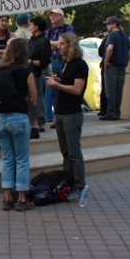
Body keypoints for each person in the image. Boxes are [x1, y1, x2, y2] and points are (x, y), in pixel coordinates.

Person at [0, 38, 37, 212]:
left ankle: (7, 197)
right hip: (18, 117)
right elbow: (34, 101)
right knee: (22, 160)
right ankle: (22, 199)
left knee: (8, 159)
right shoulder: (26, 72)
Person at [46, 32, 89, 201]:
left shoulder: (80, 65)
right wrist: (58, 81)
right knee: (65, 152)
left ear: (71, 46)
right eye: (59, 43)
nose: (59, 46)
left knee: (74, 152)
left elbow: (77, 90)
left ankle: (79, 186)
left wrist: (57, 85)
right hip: (61, 112)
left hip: (72, 113)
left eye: (62, 43)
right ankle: (68, 182)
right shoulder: (65, 64)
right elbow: (66, 84)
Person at [44, 9, 74, 128]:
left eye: (54, 15)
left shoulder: (68, 28)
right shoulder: (49, 30)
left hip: (63, 61)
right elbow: (46, 44)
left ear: (61, 16)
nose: (52, 18)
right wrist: (60, 43)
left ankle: (59, 116)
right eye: (51, 16)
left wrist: (54, 44)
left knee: (62, 87)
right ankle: (49, 116)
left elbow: (71, 41)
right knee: (50, 88)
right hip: (52, 61)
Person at [100, 16, 130, 121]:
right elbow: (129, 51)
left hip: (112, 65)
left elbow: (110, 48)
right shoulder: (125, 36)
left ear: (114, 24)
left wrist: (106, 61)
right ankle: (117, 112)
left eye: (108, 24)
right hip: (122, 66)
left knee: (110, 90)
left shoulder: (112, 35)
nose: (107, 26)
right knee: (119, 90)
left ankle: (111, 112)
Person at [27, 16, 51, 139]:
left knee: (35, 100)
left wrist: (29, 61)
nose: (29, 27)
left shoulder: (44, 42)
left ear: (36, 26)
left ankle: (36, 125)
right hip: (27, 73)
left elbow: (44, 62)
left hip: (36, 74)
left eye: (31, 25)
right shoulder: (31, 40)